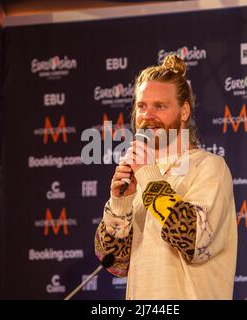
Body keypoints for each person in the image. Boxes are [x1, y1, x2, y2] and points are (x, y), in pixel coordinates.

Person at [94, 54, 237, 299]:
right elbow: (115, 264)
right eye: (142, 106)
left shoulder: (209, 167)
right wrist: (121, 203)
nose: (148, 115)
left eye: (159, 106)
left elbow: (193, 238)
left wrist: (148, 174)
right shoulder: (138, 176)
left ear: (183, 112)